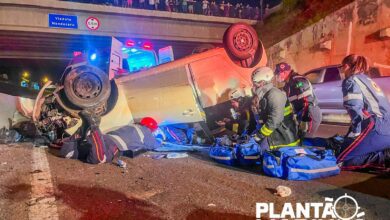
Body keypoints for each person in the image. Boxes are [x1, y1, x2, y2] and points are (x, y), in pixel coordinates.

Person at [337, 54, 390, 170]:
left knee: (342, 161)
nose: (341, 70)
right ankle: (384, 150)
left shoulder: (350, 80)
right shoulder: (368, 80)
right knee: (349, 146)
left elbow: (354, 107)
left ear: (346, 66)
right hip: (386, 126)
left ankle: (385, 158)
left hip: (377, 127)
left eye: (341, 67)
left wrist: (355, 132)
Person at [251, 67, 299, 151]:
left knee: (258, 152)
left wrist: (260, 135)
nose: (253, 86)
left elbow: (275, 120)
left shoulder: (274, 94)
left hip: (282, 137)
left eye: (255, 83)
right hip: (274, 133)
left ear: (262, 82)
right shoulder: (265, 95)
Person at [274, 62, 322, 139]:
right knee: (298, 139)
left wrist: (304, 119)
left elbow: (307, 100)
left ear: (285, 72)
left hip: (309, 114)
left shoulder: (298, 80)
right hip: (302, 114)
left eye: (278, 74)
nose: (277, 76)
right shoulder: (288, 84)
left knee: (305, 139)